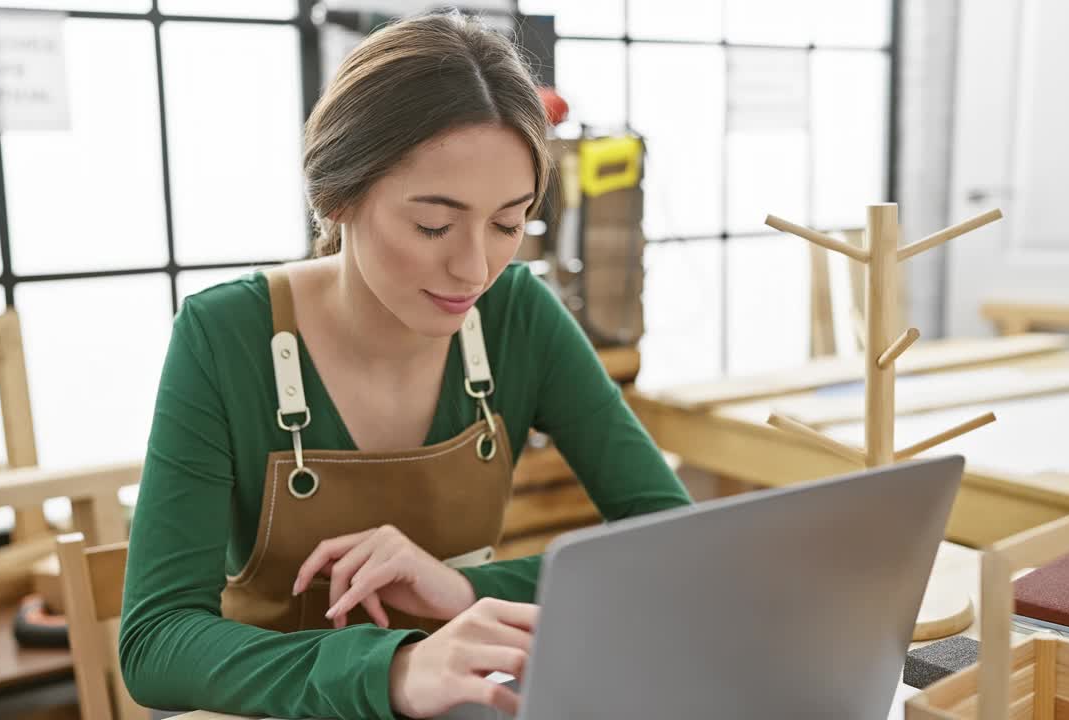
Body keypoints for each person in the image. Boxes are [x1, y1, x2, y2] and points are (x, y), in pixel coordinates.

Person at [119, 11, 691, 720]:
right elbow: (155, 642)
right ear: (339, 195)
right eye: (432, 225)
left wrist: (465, 590)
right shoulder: (225, 334)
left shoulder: (519, 313)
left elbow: (673, 544)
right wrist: (390, 669)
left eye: (509, 224)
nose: (474, 267)